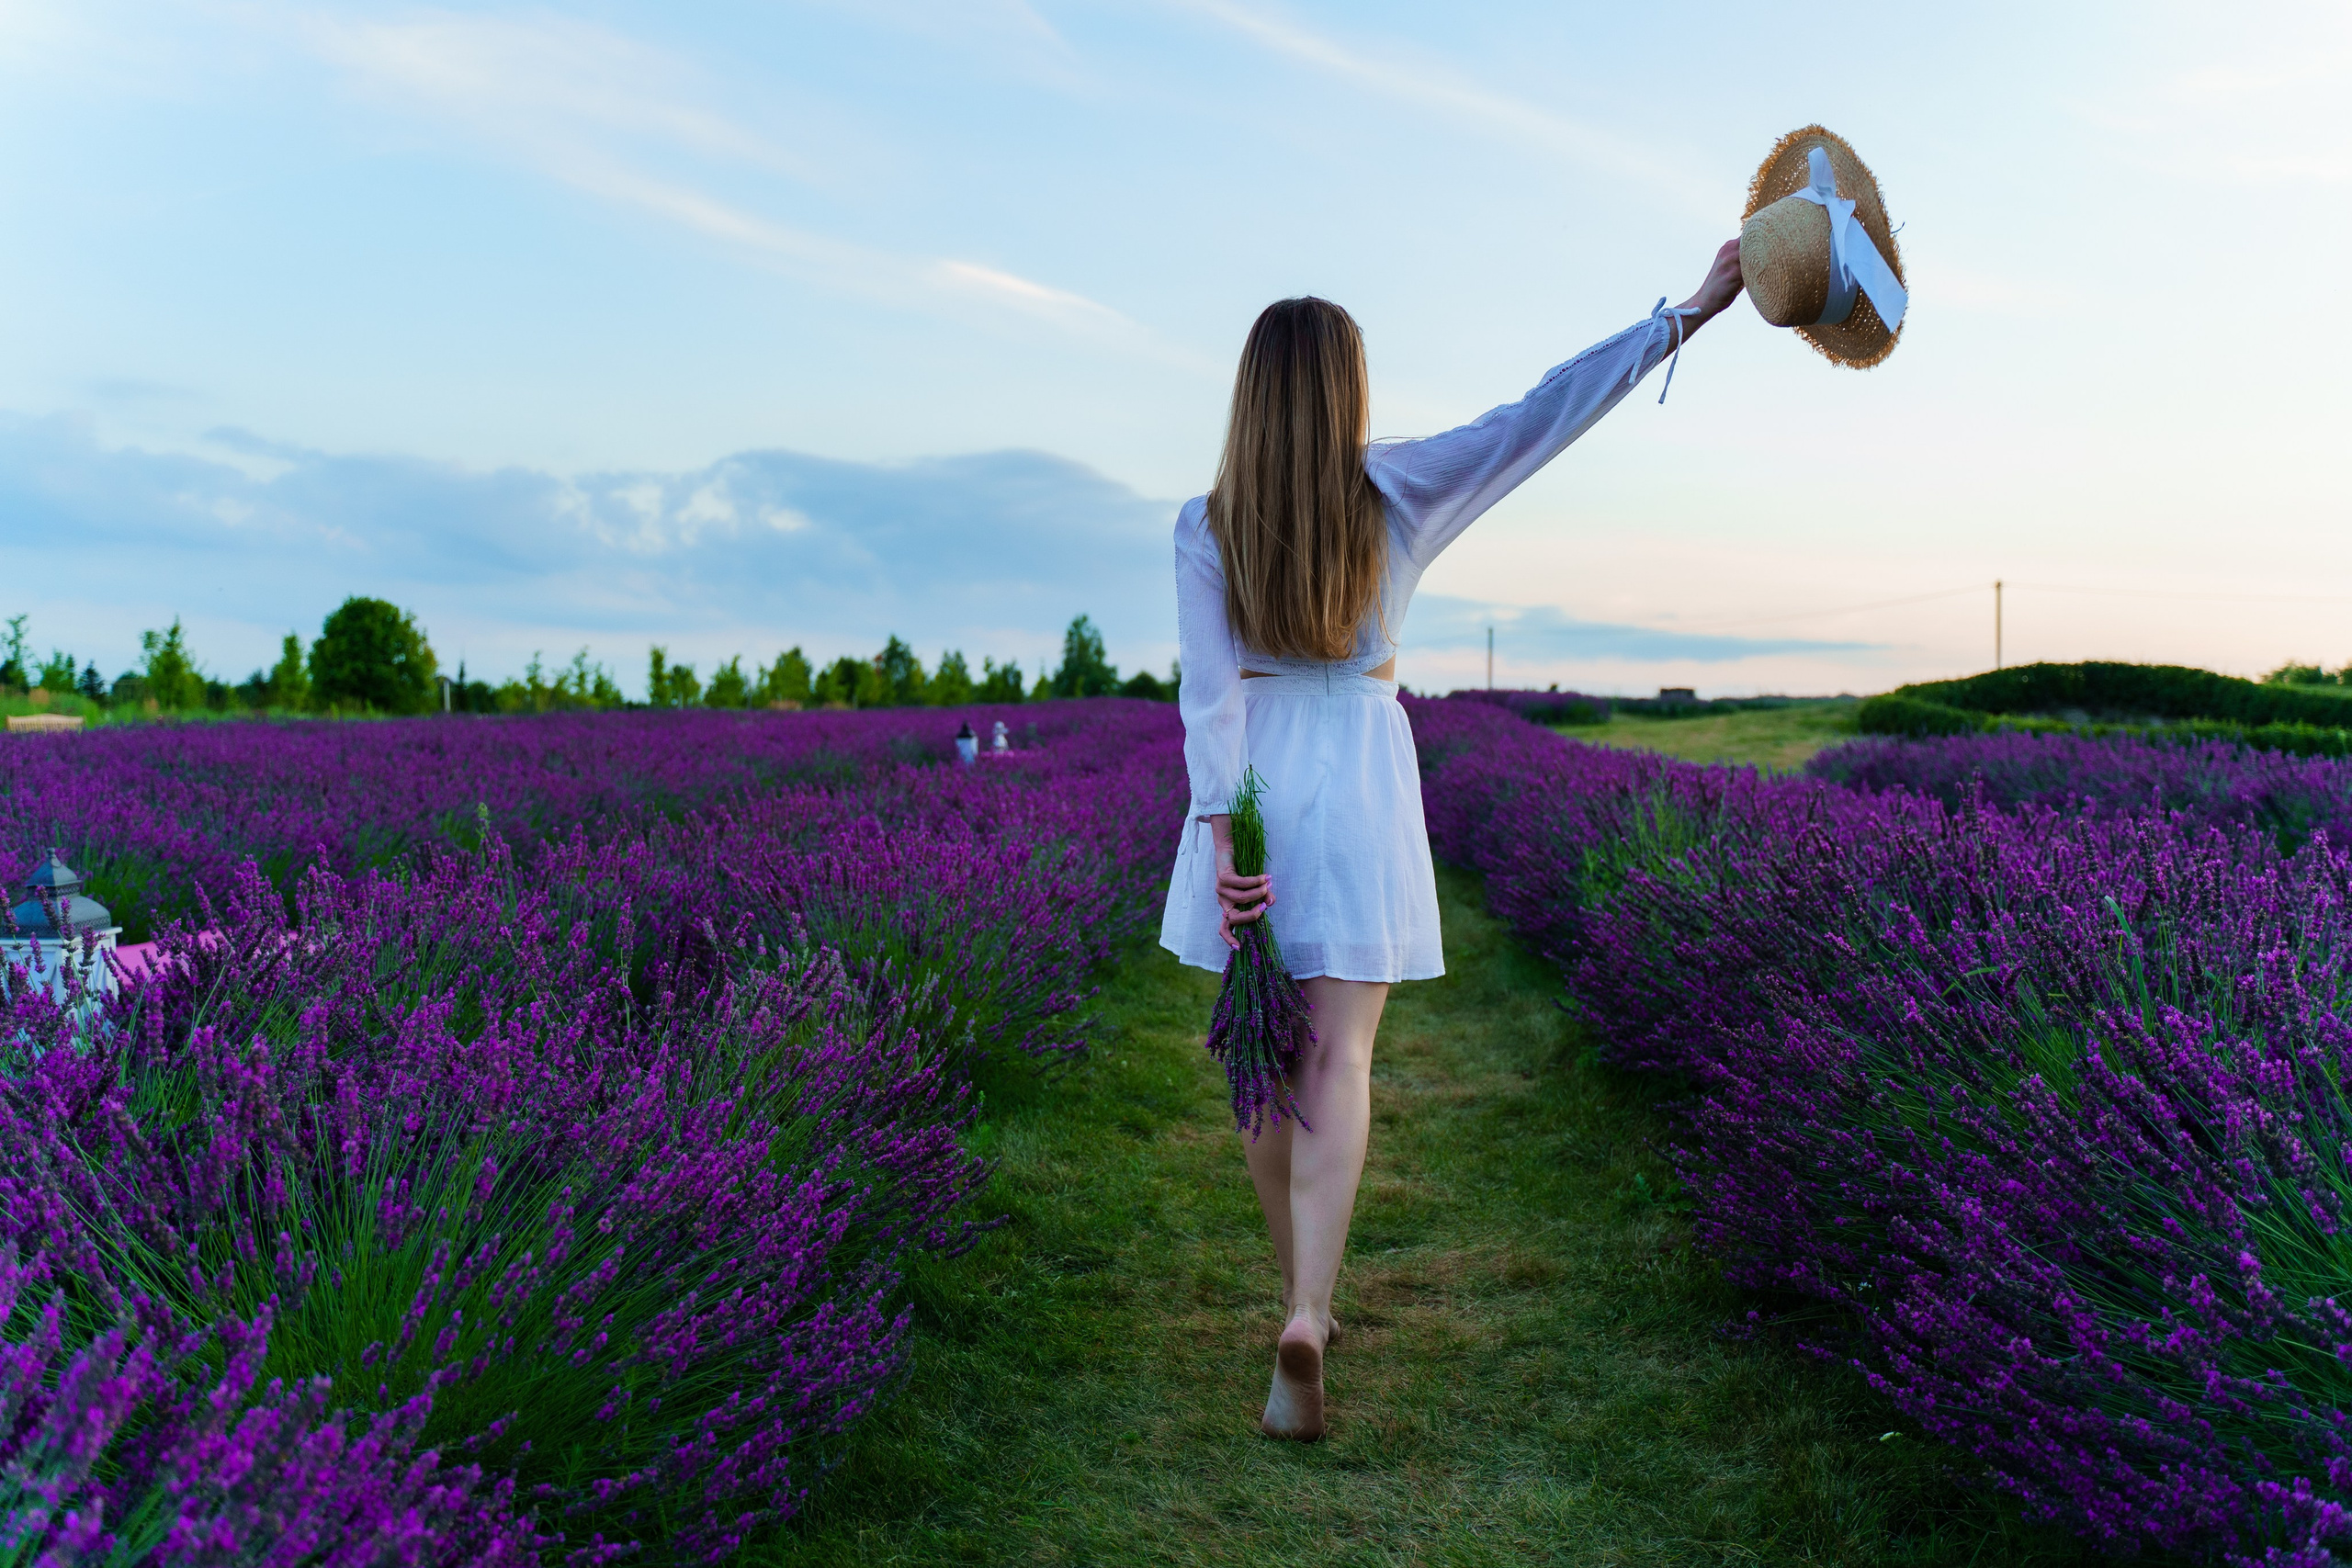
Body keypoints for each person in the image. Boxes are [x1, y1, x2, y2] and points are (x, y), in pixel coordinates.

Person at [1160, 241, 1747, 1440]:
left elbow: (1205, 695)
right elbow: (1543, 415)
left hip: (1257, 787)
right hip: (1363, 776)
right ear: (1348, 391)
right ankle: (1313, 1316)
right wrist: (1685, 315)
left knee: (1262, 1062)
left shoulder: (1205, 522)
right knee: (1343, 1063)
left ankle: (1294, 1300)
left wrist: (1223, 839)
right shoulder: (1402, 488)